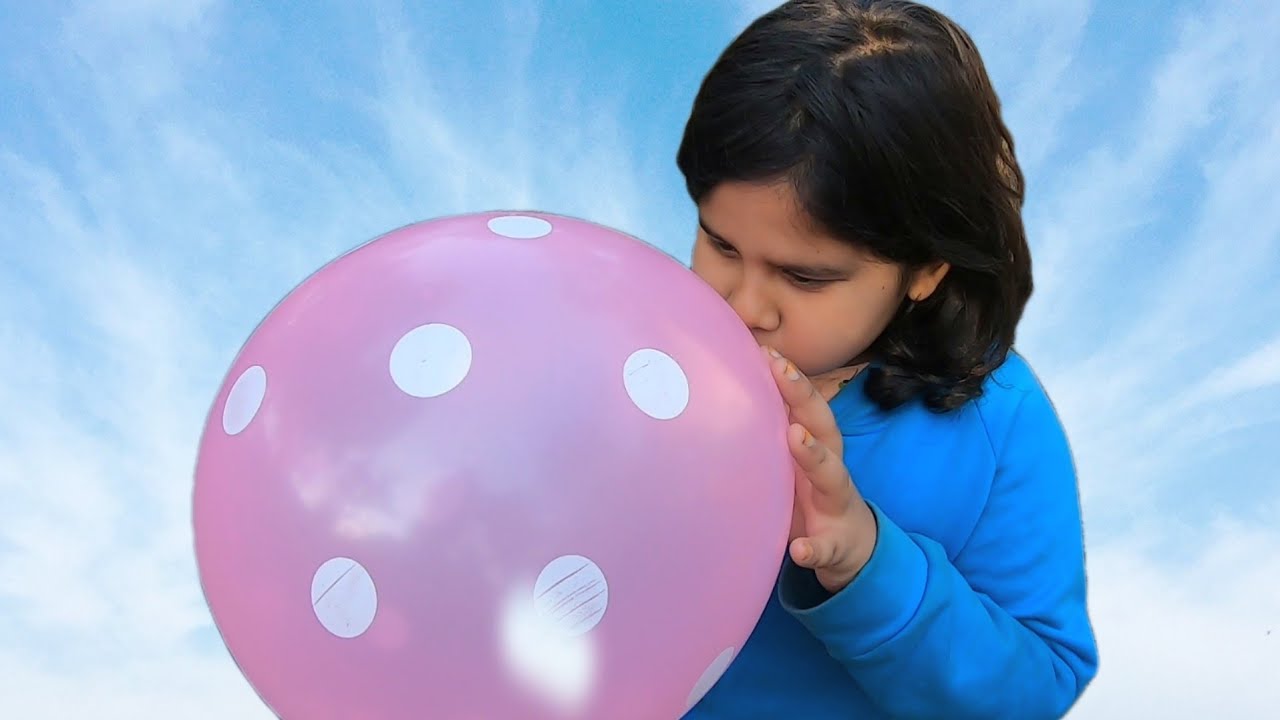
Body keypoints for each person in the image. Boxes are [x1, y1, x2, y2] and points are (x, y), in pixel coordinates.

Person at [675, 1, 1099, 718]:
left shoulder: (999, 421)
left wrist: (863, 561)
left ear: (925, 269)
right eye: (720, 244)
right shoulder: (651, 345)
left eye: (804, 276)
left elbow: (1037, 688)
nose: (744, 306)